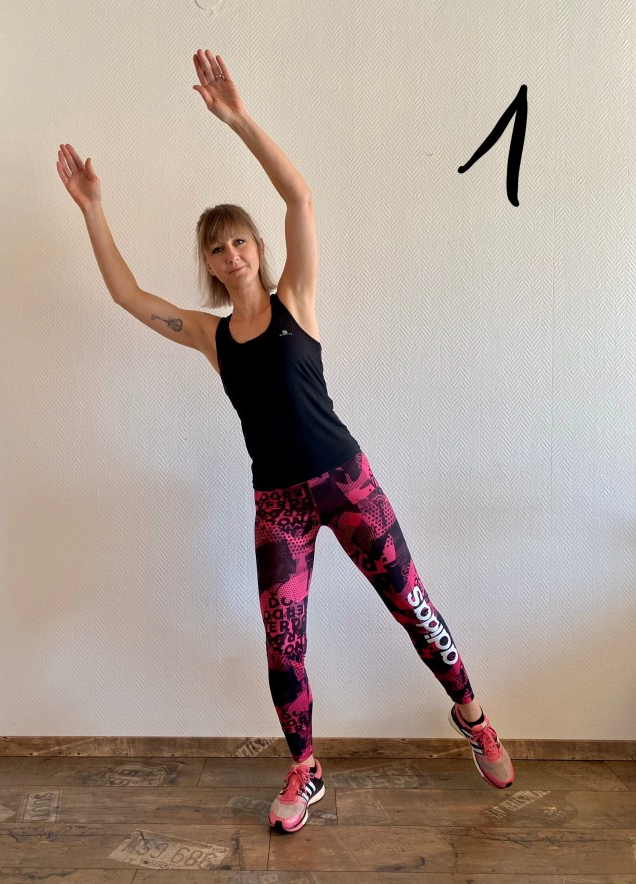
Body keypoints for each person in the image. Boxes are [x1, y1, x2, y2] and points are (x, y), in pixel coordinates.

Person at [57, 47, 514, 837]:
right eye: (216, 248)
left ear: (257, 249)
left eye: (240, 241)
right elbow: (128, 295)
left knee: (411, 607)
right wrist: (92, 208)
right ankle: (305, 767)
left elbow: (299, 195)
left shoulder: (295, 299)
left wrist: (237, 119)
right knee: (283, 643)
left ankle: (473, 719)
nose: (231, 255)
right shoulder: (210, 336)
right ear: (208, 264)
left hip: (346, 481)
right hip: (279, 504)